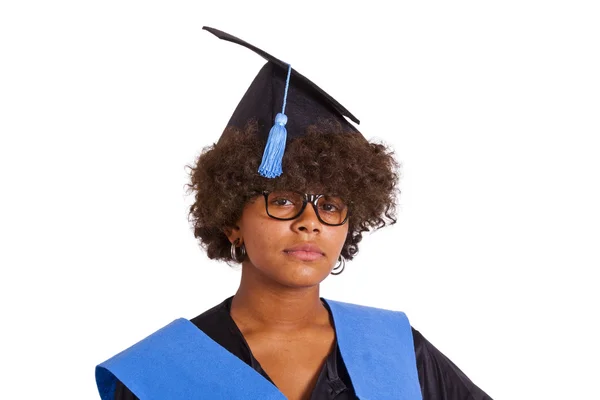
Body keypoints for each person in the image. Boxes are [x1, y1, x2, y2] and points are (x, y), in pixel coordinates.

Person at [95, 26, 492, 400]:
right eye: (283, 201)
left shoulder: (395, 348)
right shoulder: (162, 371)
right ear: (233, 220)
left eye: (330, 206)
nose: (310, 222)